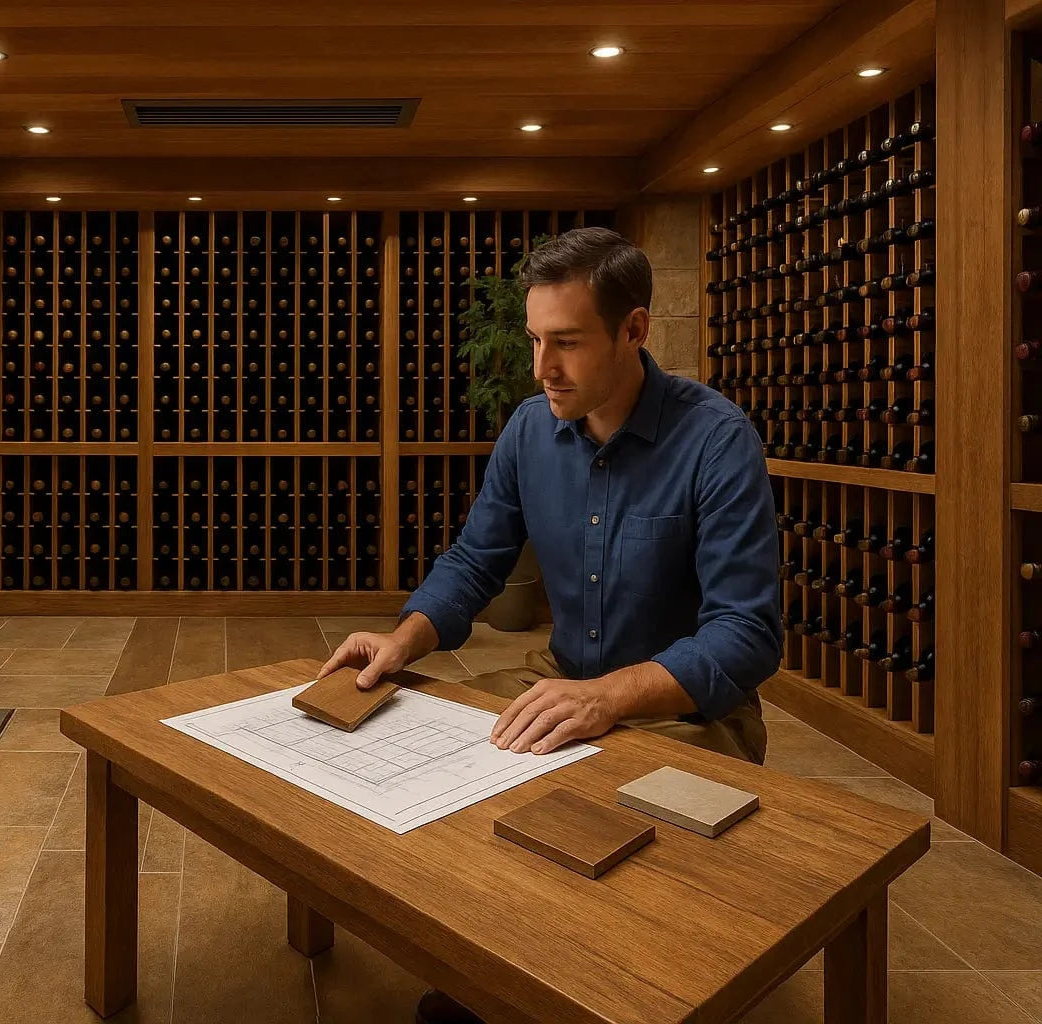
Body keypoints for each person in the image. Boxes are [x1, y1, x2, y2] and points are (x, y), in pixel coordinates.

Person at [320, 225, 783, 1024]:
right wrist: (406, 636)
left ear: (633, 330)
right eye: (536, 340)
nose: (542, 368)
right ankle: (496, 973)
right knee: (430, 763)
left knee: (596, 830)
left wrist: (609, 697)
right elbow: (476, 561)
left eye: (565, 342)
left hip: (689, 713)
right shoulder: (529, 430)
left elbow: (746, 634)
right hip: (565, 679)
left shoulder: (715, 440)